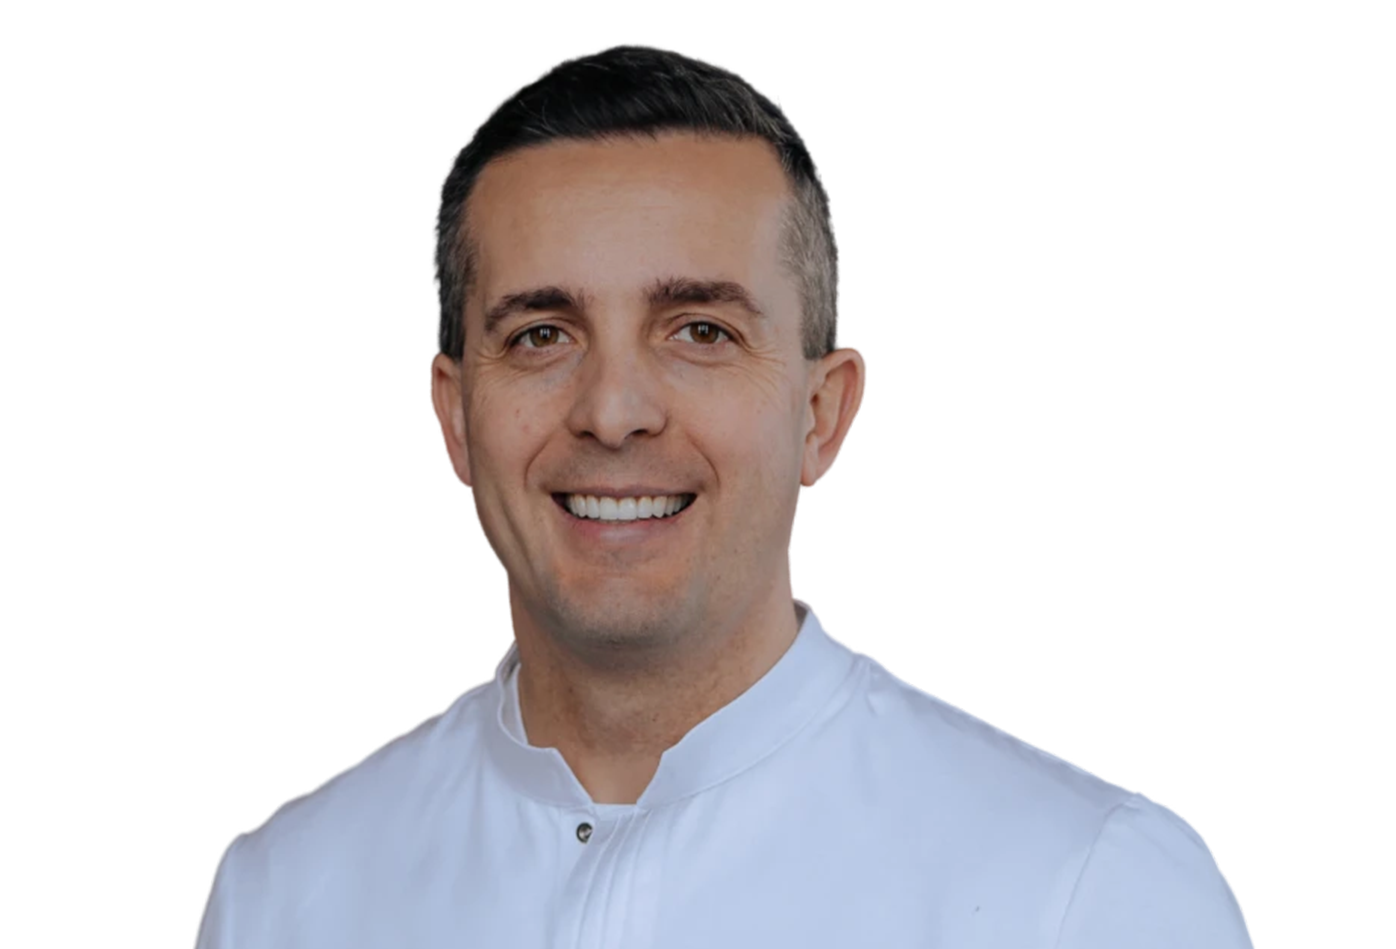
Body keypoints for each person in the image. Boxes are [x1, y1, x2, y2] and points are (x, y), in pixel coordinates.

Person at [193, 43, 1253, 948]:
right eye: (542, 334)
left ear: (821, 413)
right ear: (457, 415)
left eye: (700, 330)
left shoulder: (1087, 894)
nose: (613, 411)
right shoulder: (281, 896)